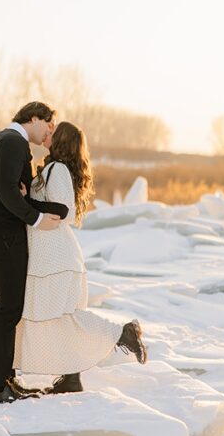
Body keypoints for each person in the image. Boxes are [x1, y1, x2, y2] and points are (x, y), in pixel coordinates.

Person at [14, 121, 148, 394]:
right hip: (50, 256)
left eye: (53, 132)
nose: (47, 134)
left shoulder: (58, 169)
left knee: (65, 317)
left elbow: (62, 210)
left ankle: (123, 332)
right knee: (60, 318)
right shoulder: (54, 168)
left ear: (61, 140)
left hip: (55, 258)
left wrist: (27, 202)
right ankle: (71, 377)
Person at [0, 101, 70, 403]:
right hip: (2, 234)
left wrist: (49, 209)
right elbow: (5, 191)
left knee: (9, 307)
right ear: (35, 117)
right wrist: (37, 220)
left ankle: (5, 380)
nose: (49, 133)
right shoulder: (14, 142)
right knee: (8, 309)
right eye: (49, 125)